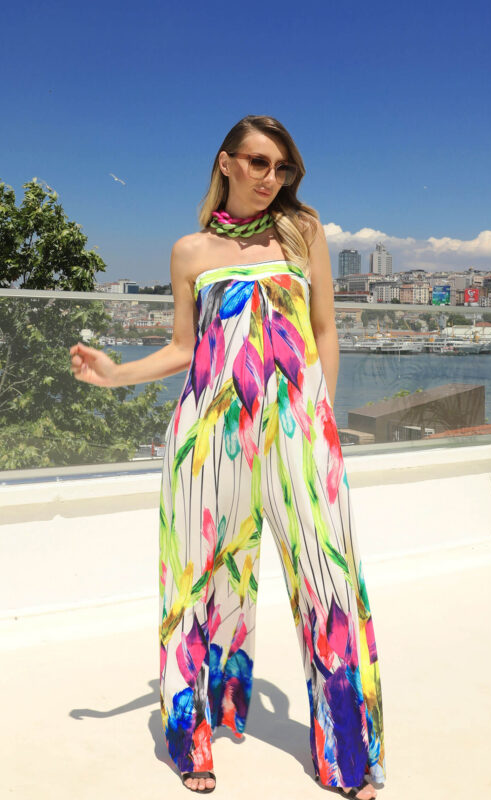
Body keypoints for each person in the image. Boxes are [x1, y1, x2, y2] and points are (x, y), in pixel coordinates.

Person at [70, 114, 386, 798]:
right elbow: (185, 349)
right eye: (258, 162)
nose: (271, 177)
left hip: (299, 430)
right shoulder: (190, 251)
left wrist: (321, 419)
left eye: (282, 167)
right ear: (226, 163)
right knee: (195, 581)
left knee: (328, 581)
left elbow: (325, 331)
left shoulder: (302, 231)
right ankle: (192, 736)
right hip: (206, 436)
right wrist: (115, 374)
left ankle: (347, 752)